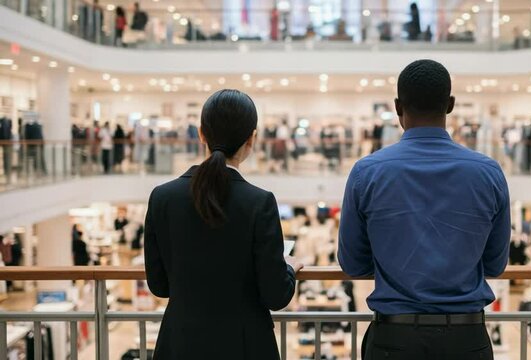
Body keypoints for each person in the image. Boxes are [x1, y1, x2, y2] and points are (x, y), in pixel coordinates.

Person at [338, 59, 510, 359]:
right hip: (466, 339)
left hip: (394, 338)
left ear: (397, 107)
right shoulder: (488, 172)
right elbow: (495, 265)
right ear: (451, 105)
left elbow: (352, 263)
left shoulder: (368, 172)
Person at [144, 89, 302, 359]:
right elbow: (276, 296)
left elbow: (159, 286)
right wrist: (289, 268)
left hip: (181, 344)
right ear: (252, 139)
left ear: (201, 133)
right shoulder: (259, 202)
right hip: (244, 345)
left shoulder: (163, 197)